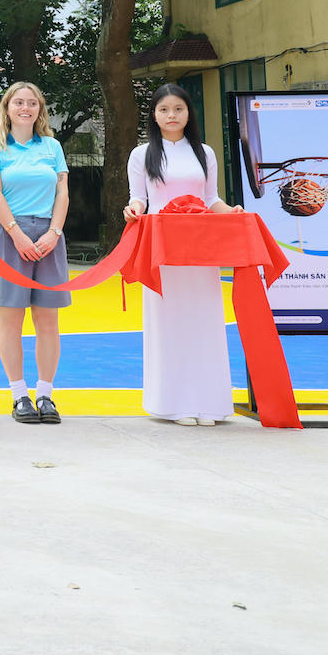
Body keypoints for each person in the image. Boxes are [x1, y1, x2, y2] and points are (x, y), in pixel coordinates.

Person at [125, 84, 241, 425]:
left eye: (178, 109)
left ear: (189, 113)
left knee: (205, 319)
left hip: (201, 247)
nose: (171, 115)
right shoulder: (142, 154)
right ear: (154, 115)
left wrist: (231, 212)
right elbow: (139, 198)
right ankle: (173, 405)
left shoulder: (204, 152)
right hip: (162, 246)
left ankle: (209, 404)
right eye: (164, 110)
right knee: (168, 320)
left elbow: (211, 198)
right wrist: (132, 210)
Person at [0, 81, 71, 425]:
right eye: (18, 102)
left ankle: (45, 394)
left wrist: (54, 232)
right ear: (7, 108)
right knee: (12, 317)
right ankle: (19, 395)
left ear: (39, 109)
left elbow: (62, 193)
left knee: (48, 319)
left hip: (49, 236)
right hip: (8, 235)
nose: (25, 108)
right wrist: (16, 234)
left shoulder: (52, 146)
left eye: (32, 103)